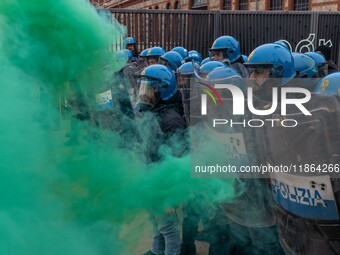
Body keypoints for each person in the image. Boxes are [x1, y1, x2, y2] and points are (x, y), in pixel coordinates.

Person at [137, 64, 187, 255]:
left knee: (168, 231)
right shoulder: (154, 113)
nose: (144, 93)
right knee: (156, 227)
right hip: (153, 182)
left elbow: (178, 162)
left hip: (164, 188)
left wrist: (170, 196)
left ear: (163, 90)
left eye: (148, 88)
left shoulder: (171, 120)